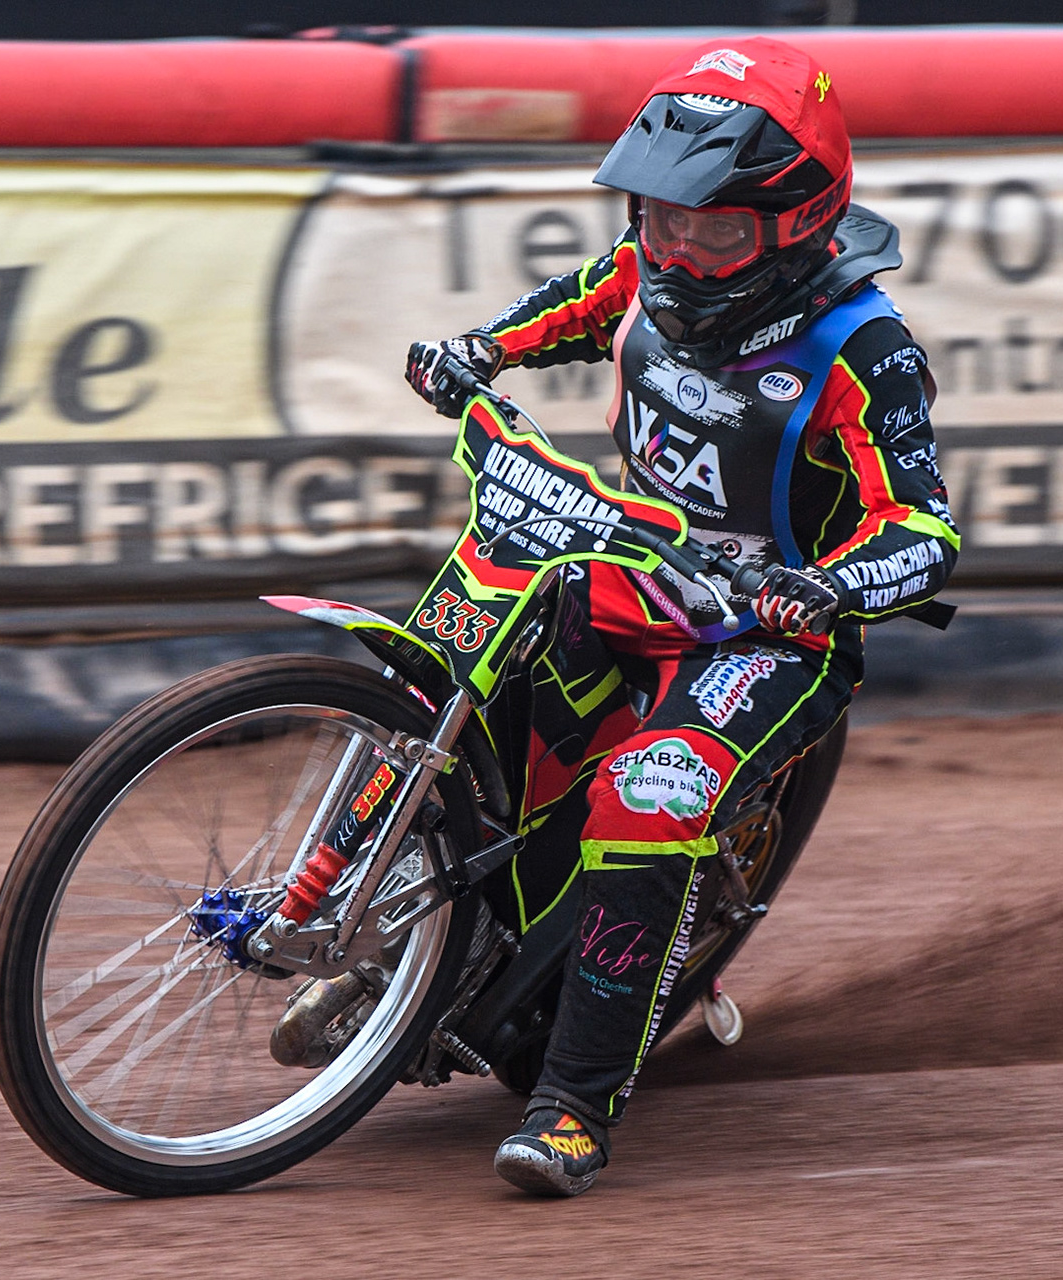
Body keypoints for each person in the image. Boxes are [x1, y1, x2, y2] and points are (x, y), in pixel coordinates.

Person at [404, 36, 958, 1198]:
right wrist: (475, 351)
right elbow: (565, 308)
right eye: (659, 220)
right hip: (632, 563)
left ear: (800, 218)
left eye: (716, 230)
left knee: (650, 797)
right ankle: (417, 939)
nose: (679, 252)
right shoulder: (648, 266)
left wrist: (831, 586)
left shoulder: (866, 348)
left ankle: (571, 1107)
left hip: (771, 631)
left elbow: (927, 530)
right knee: (461, 672)